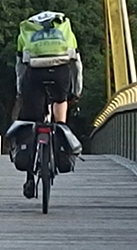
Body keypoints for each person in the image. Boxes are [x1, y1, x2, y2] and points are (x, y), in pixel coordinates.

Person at [5, 10, 83, 197]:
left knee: (31, 120)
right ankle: (61, 134)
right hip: (60, 72)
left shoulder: (27, 31)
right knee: (60, 100)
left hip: (35, 74)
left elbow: (20, 66)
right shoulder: (65, 29)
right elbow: (76, 64)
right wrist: (77, 90)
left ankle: (30, 178)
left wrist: (21, 90)